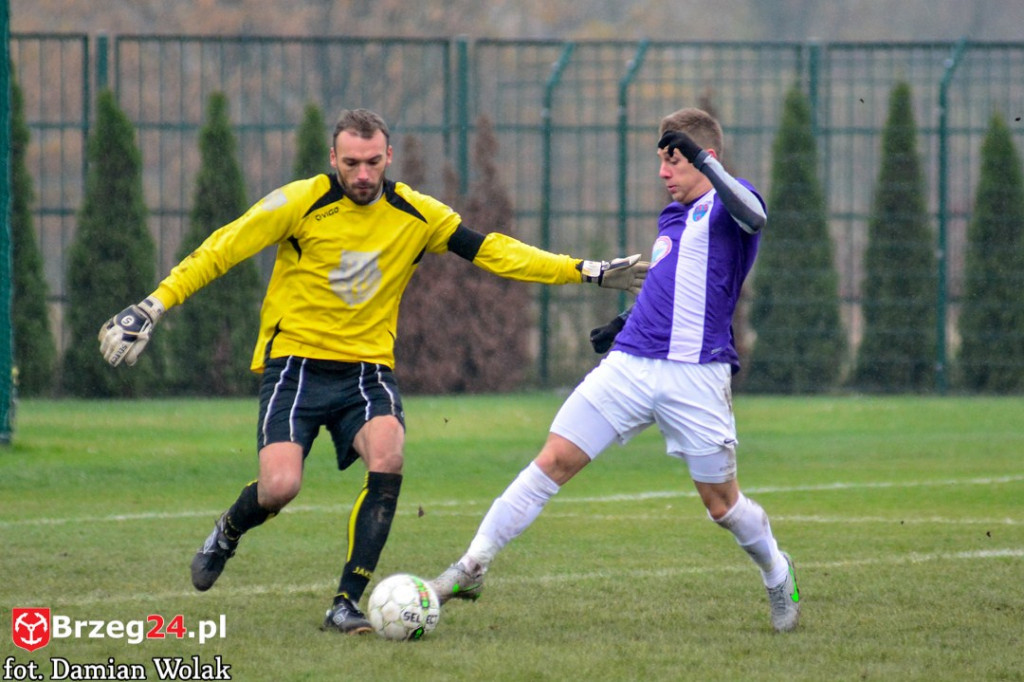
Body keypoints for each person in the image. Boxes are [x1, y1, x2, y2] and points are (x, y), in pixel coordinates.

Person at [98, 108, 648, 635]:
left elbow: (494, 251)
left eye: (373, 163)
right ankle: (229, 529)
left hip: (366, 371)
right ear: (332, 158)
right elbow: (224, 247)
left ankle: (347, 602)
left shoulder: (417, 214)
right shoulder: (300, 202)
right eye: (351, 163)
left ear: (388, 157)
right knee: (280, 487)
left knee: (389, 454)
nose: (362, 174)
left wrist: (588, 272)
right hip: (296, 367)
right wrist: (155, 304)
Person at [429, 107, 801, 633]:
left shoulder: (732, 200)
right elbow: (677, 282)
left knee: (722, 506)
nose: (663, 173)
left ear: (704, 158)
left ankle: (776, 570)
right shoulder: (672, 219)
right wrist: (626, 320)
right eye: (661, 162)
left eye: (672, 160)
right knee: (553, 459)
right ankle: (472, 566)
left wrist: (703, 159)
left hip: (695, 375)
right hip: (630, 364)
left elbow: (756, 218)